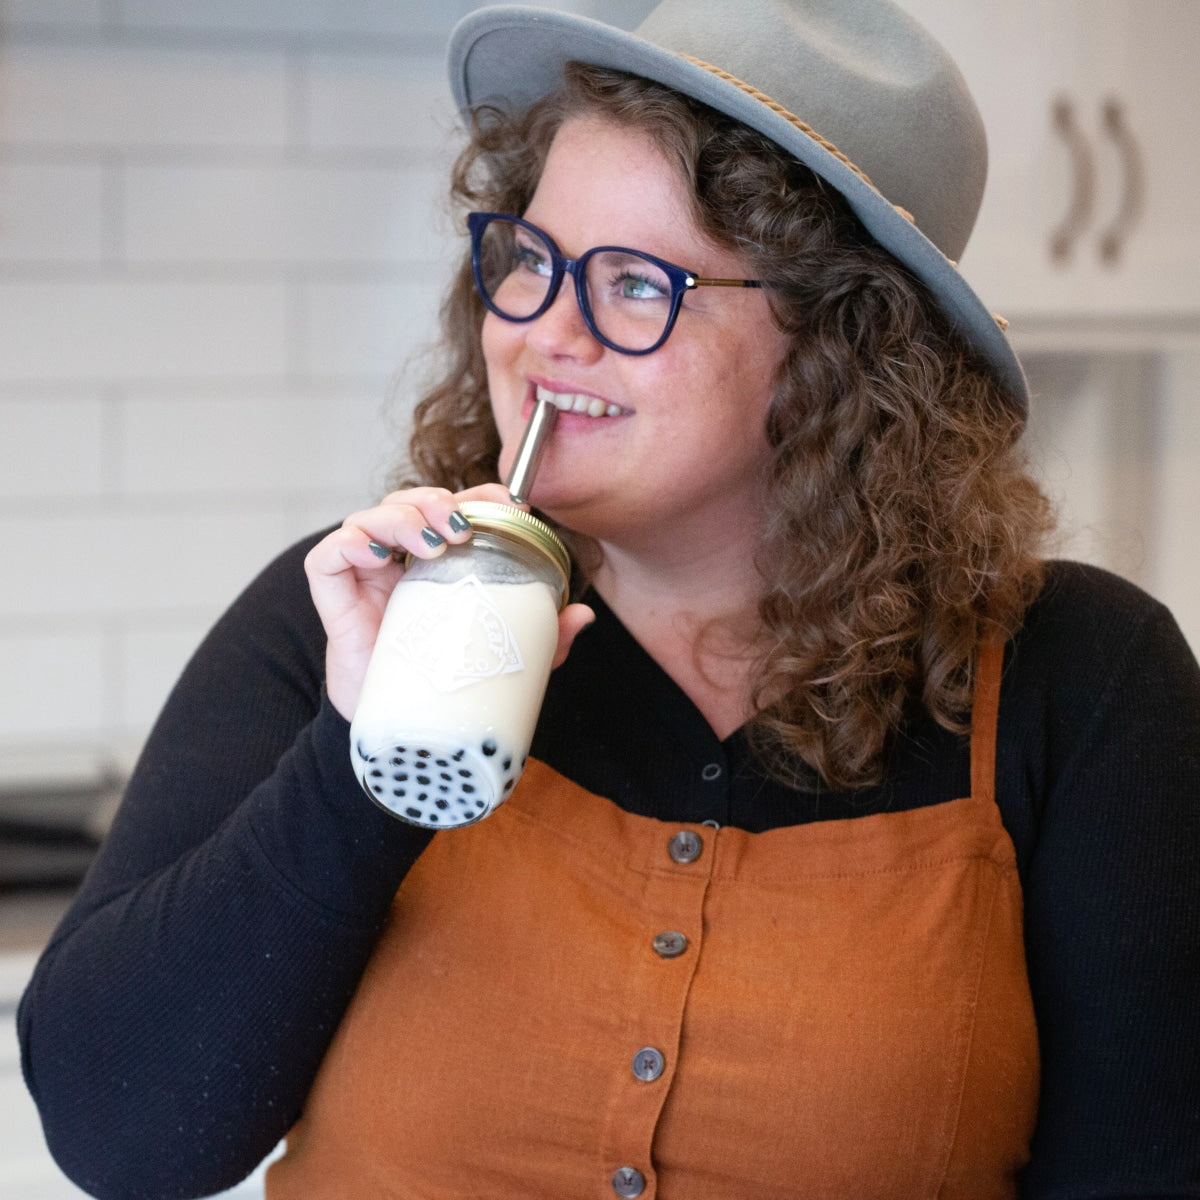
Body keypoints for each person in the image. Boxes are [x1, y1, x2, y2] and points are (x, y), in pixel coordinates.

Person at [18, 0, 1200, 1196]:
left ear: (849, 346)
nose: (543, 333)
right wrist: (360, 761)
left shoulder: (1084, 684)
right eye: (532, 260)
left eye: (637, 284)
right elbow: (121, 1140)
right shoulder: (355, 614)